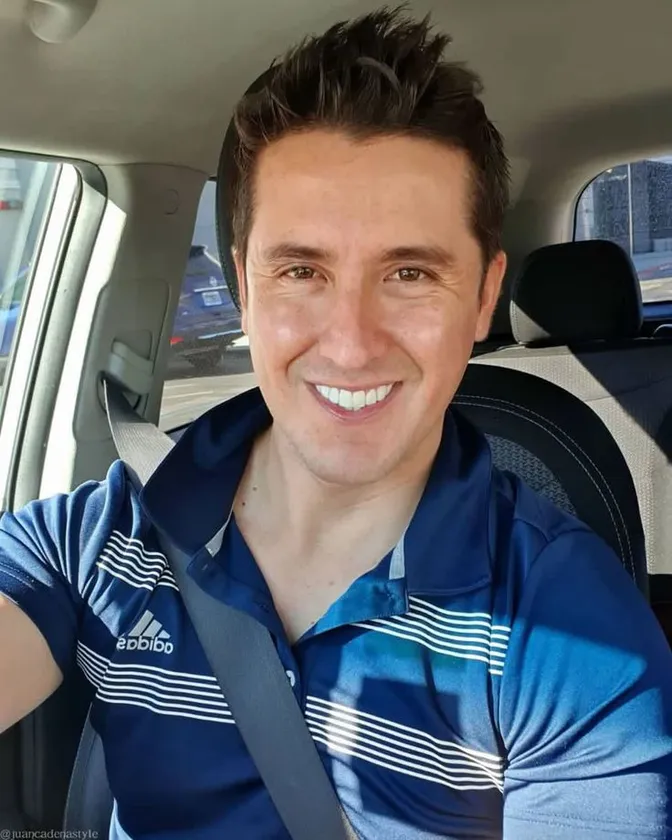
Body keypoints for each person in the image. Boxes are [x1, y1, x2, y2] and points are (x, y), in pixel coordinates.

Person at [1, 7, 671, 839]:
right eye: (301, 271)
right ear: (245, 287)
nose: (351, 346)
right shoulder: (97, 539)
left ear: (483, 297)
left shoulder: (573, 634)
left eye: (410, 273)